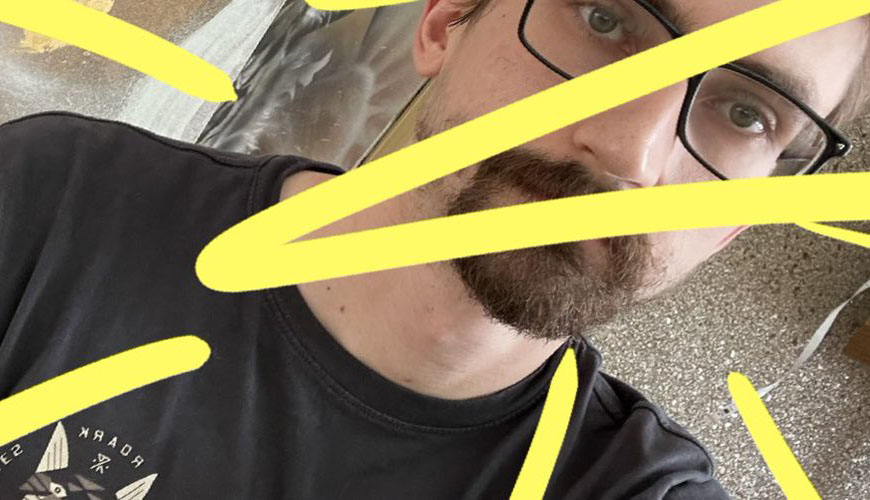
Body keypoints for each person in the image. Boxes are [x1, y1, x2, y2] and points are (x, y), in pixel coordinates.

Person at [0, 0, 867, 498]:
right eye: (605, 18)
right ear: (449, 18)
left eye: (746, 113)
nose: (630, 155)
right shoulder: (56, 197)